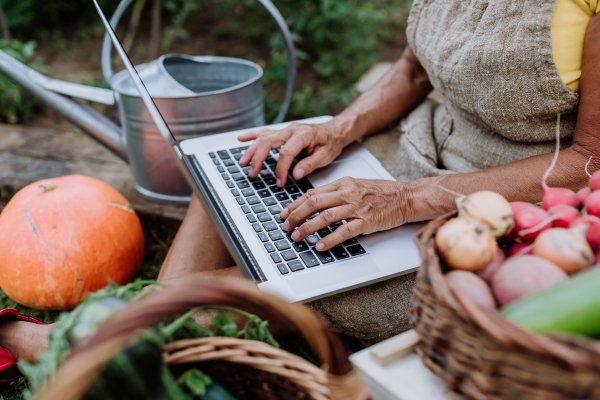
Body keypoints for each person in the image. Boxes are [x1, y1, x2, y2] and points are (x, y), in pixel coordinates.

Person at [1, 0, 599, 380]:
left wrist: (407, 199)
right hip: (409, 151)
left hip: (500, 212)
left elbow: (589, 160)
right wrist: (338, 129)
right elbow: (412, 72)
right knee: (244, 169)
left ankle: (83, 349)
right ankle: (149, 338)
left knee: (263, 287)